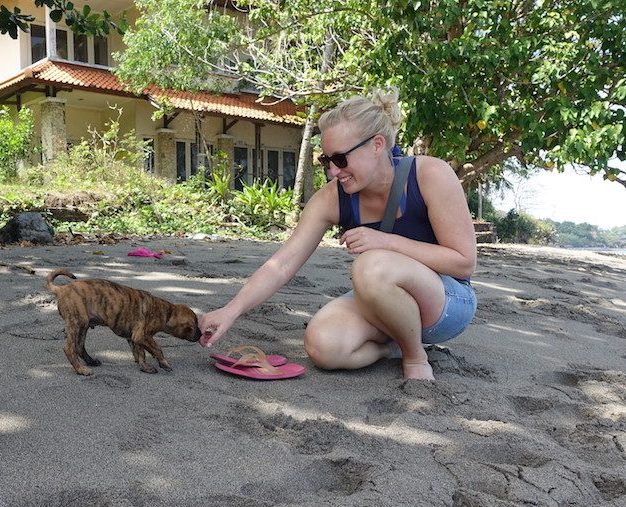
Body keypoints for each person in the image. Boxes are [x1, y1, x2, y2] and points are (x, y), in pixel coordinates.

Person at [199, 88, 477, 381]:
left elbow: (463, 262)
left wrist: (388, 242)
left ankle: (415, 357)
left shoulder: (430, 175)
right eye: (326, 161)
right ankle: (391, 348)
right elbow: (282, 265)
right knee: (323, 346)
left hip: (446, 303)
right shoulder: (331, 199)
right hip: (384, 298)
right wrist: (230, 310)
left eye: (341, 159)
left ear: (377, 145)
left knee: (371, 266)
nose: (333, 171)